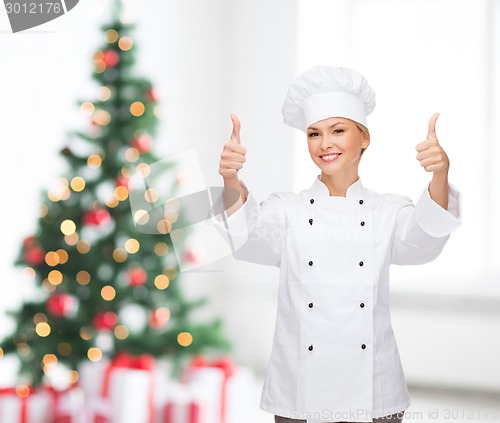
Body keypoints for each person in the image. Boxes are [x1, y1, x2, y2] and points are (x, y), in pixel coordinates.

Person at [215, 66, 462, 423]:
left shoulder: (387, 209)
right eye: (314, 133)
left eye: (338, 130)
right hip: (300, 393)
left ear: (364, 138)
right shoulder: (287, 209)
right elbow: (246, 238)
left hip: (374, 393)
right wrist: (230, 178)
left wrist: (441, 174)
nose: (325, 143)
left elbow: (424, 240)